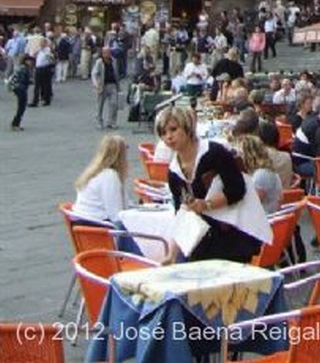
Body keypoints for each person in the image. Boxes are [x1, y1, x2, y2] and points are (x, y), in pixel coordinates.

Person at [156, 103, 265, 263]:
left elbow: (237, 189)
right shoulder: (173, 172)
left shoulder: (215, 152)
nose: (168, 137)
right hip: (201, 243)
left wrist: (206, 204)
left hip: (231, 237)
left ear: (188, 128)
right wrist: (171, 255)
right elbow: (181, 213)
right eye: (163, 133)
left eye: (173, 129)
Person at [72, 134, 130, 226]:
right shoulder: (110, 176)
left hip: (83, 222)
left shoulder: (92, 172)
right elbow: (116, 215)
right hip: (98, 226)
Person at [235, 133, 283, 214]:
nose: (238, 157)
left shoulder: (261, 175)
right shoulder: (265, 170)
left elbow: (252, 205)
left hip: (264, 218)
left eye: (240, 154)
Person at [91, 45, 121, 129]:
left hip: (113, 85)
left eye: (108, 52)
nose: (106, 54)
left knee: (114, 104)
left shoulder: (114, 61)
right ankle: (99, 122)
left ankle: (111, 122)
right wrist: (96, 83)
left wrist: (118, 86)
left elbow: (116, 73)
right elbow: (94, 73)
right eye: (105, 52)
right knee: (100, 105)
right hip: (102, 85)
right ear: (102, 53)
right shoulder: (99, 62)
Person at [9, 54, 34, 131]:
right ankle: (15, 124)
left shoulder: (21, 67)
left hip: (16, 88)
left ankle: (15, 123)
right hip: (20, 89)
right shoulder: (24, 69)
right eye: (30, 61)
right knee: (21, 107)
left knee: (21, 107)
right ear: (26, 61)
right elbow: (22, 81)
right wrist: (30, 81)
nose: (31, 62)